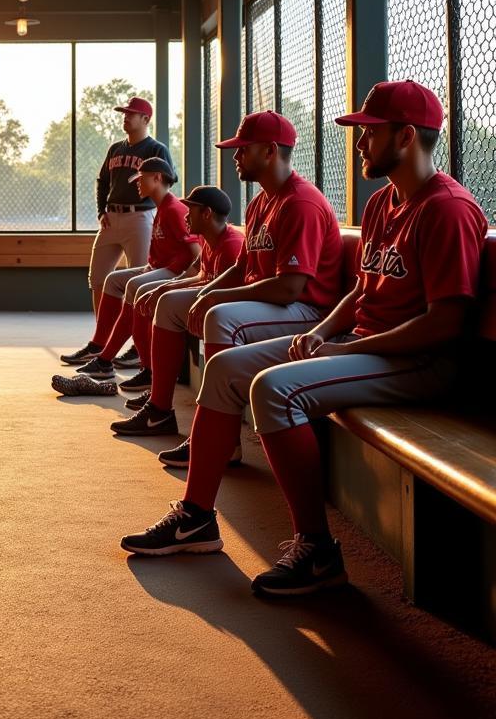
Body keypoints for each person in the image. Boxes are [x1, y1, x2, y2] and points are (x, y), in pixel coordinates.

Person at [121, 82, 488, 599]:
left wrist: (346, 349)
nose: (359, 143)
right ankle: (197, 517)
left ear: (406, 136)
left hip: (421, 361)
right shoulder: (385, 201)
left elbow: (445, 324)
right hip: (368, 343)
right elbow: (364, 287)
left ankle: (317, 550)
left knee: (275, 389)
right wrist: (320, 333)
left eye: (370, 132)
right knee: (227, 372)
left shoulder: (446, 208)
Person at [121, 112, 343, 464]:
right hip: (271, 305)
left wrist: (216, 296)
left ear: (270, 151)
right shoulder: (260, 202)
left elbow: (289, 288)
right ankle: (160, 409)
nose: (236, 157)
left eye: (244, 150)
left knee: (222, 316)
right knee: (171, 304)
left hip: (305, 311)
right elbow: (242, 267)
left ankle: (220, 442)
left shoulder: (300, 202)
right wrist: (207, 291)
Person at [53, 158, 199, 395]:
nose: (137, 184)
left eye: (142, 179)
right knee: (112, 280)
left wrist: (179, 281)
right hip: (159, 268)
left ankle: (143, 367)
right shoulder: (160, 207)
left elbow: (196, 254)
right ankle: (102, 355)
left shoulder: (174, 208)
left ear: (158, 178)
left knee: (135, 287)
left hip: (176, 272)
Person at [112, 186, 244, 427]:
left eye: (191, 210)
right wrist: (165, 287)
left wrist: (168, 290)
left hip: (231, 313)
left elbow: (221, 290)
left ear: (206, 213)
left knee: (167, 303)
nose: (185, 214)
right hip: (211, 303)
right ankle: (157, 397)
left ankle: (164, 408)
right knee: (161, 297)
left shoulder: (231, 244)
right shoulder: (210, 240)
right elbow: (197, 274)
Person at [85, 96, 175, 321]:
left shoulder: (156, 148)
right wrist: (100, 210)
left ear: (146, 119)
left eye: (130, 114)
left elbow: (169, 179)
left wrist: (159, 212)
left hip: (141, 217)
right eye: (124, 113)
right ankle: (101, 338)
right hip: (111, 217)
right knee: (97, 278)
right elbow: (103, 181)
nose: (125, 117)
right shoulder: (115, 148)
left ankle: (137, 341)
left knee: (140, 281)